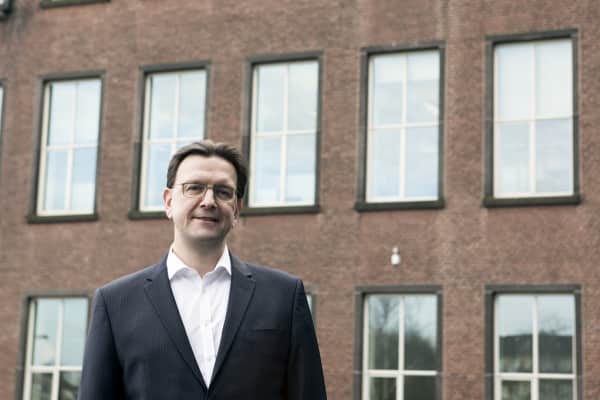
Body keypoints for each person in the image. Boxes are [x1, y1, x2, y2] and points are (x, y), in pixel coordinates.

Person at [78, 140, 327, 400]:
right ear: (168, 201)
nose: (208, 201)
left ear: (237, 209)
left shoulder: (284, 297)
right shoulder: (115, 303)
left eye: (223, 192)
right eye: (194, 188)